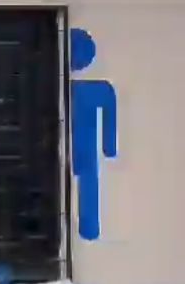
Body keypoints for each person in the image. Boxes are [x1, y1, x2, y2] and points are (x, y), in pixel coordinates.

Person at [70, 27, 117, 241]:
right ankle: (88, 228)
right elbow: (110, 106)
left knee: (87, 181)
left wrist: (109, 146)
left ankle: (88, 228)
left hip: (78, 144)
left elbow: (109, 107)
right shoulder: (97, 89)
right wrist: (109, 147)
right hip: (83, 144)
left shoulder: (90, 89)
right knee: (87, 182)